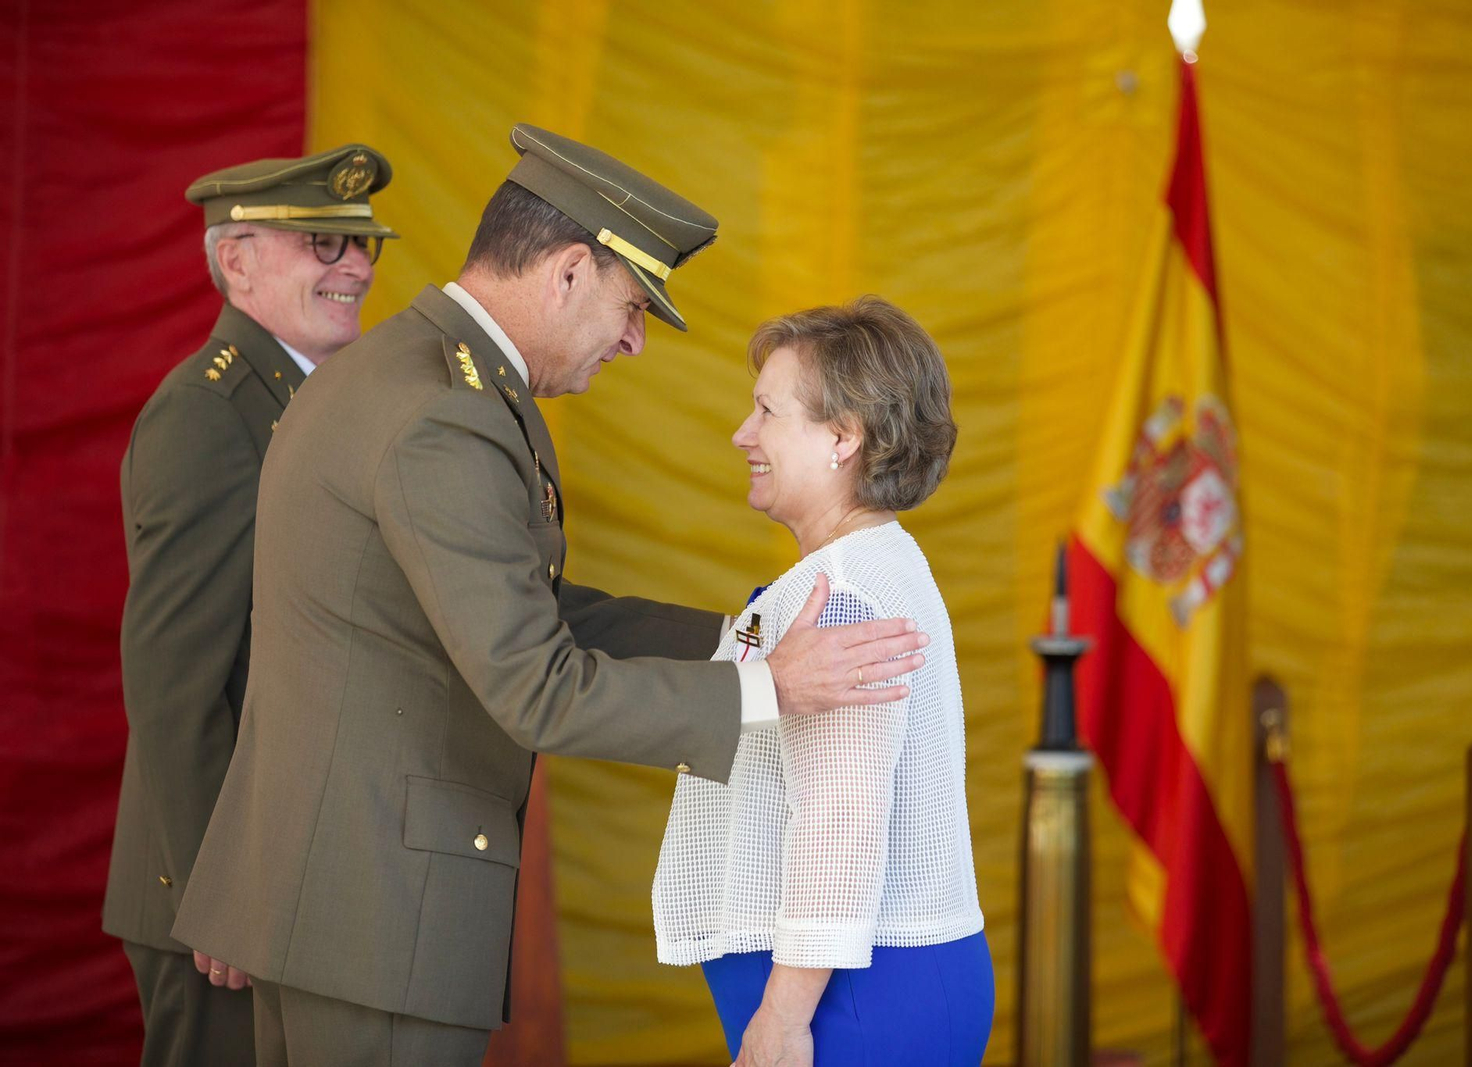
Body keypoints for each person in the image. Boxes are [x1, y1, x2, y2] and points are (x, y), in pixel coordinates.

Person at [171, 125, 931, 1067]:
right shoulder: (447, 412)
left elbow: (534, 606)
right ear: (569, 272)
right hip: (376, 918)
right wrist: (768, 687)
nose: (635, 342)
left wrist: (748, 638)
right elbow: (535, 680)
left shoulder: (415, 374)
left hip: (330, 902)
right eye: (631, 306)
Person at [102, 145, 398, 1067]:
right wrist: (216, 894)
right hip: (224, 899)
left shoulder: (319, 403)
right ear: (238, 262)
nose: (353, 266)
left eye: (364, 246)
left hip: (292, 881)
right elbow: (171, 679)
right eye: (323, 243)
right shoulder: (209, 412)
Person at [652, 297, 992, 1066]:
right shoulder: (877, 560)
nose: (744, 433)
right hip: (880, 980)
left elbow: (841, 822)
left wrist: (781, 1017)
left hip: (845, 999)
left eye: (767, 411)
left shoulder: (840, 594)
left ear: (843, 437)